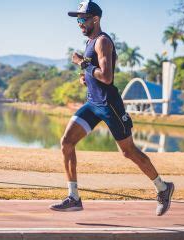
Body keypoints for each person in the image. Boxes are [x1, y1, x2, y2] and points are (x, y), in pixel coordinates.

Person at [49, 0, 174, 216]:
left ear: (95, 19)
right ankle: (74, 197)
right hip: (93, 103)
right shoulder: (90, 41)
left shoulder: (102, 41)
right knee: (66, 143)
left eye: (82, 19)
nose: (79, 23)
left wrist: (83, 64)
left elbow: (107, 77)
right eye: (77, 20)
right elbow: (96, 74)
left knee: (128, 152)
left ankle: (163, 188)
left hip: (109, 106)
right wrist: (87, 78)